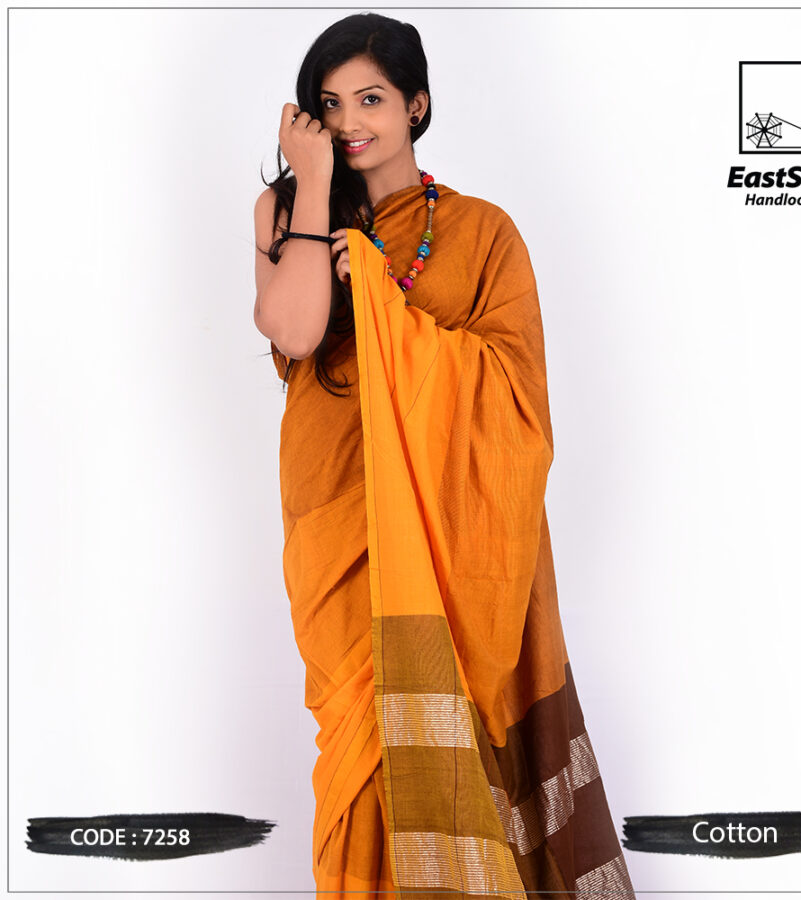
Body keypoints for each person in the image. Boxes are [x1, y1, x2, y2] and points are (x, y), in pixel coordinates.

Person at [253, 12, 635, 898]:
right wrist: (315, 184)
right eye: (330, 104)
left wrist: (383, 299)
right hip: (335, 517)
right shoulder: (286, 210)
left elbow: (517, 404)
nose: (350, 121)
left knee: (437, 735)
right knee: (360, 752)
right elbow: (295, 331)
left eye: (372, 99)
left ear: (417, 106)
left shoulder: (484, 232)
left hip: (449, 538)